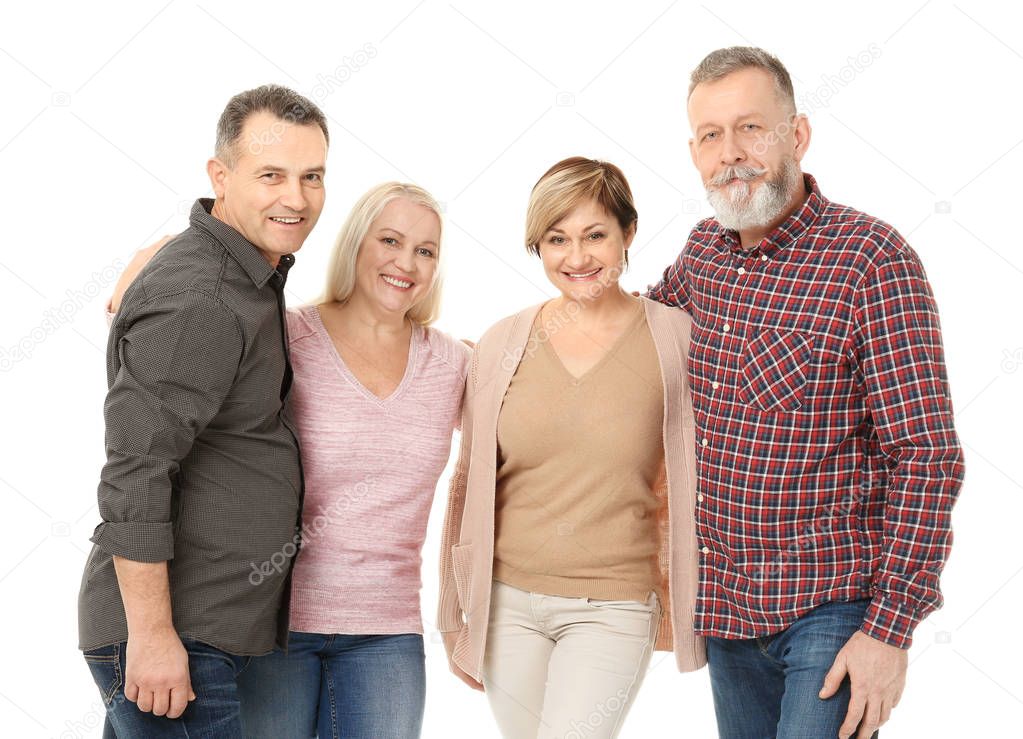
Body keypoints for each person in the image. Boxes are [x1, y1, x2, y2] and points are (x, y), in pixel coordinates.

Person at [647, 47, 964, 739]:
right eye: (710, 135)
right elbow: (632, 340)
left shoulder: (871, 261)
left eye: (750, 128)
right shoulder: (702, 253)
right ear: (693, 152)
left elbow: (925, 454)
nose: (730, 153)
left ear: (796, 135)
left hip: (831, 608)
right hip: (727, 613)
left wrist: (890, 630)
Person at [109, 183, 470, 738]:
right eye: (390, 240)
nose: (406, 262)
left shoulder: (455, 365)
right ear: (355, 245)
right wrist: (146, 266)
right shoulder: (287, 335)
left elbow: (543, 402)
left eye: (426, 250)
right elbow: (166, 365)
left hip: (386, 633)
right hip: (273, 623)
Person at [78, 84, 329, 737]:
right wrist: (154, 634)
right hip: (175, 636)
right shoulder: (205, 296)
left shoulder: (239, 272)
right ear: (220, 176)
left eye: (312, 177)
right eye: (270, 175)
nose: (295, 198)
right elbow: (134, 473)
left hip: (204, 631)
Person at [439, 157, 705, 739]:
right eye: (557, 239)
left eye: (595, 236)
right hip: (506, 604)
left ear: (628, 234)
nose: (577, 258)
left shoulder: (674, 341)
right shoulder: (503, 340)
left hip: (613, 605)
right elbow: (468, 482)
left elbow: (707, 468)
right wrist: (453, 615)